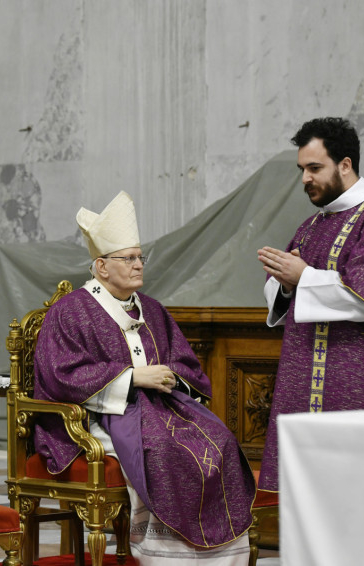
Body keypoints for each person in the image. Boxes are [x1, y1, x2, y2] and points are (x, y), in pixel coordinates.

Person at [34, 191, 256, 566]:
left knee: (220, 440)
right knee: (162, 450)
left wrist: (170, 377)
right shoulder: (70, 311)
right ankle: (165, 557)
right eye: (129, 258)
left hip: (162, 409)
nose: (139, 265)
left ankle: (223, 558)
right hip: (99, 415)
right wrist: (133, 377)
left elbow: (186, 364)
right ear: (102, 267)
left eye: (140, 257)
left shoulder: (152, 309)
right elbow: (60, 374)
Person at [256, 117, 364, 493]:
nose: (305, 178)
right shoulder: (311, 226)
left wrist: (303, 277)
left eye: (314, 168)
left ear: (345, 165)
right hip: (307, 375)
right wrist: (286, 284)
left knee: (359, 491)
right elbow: (285, 290)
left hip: (363, 379)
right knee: (309, 493)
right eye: (302, 169)